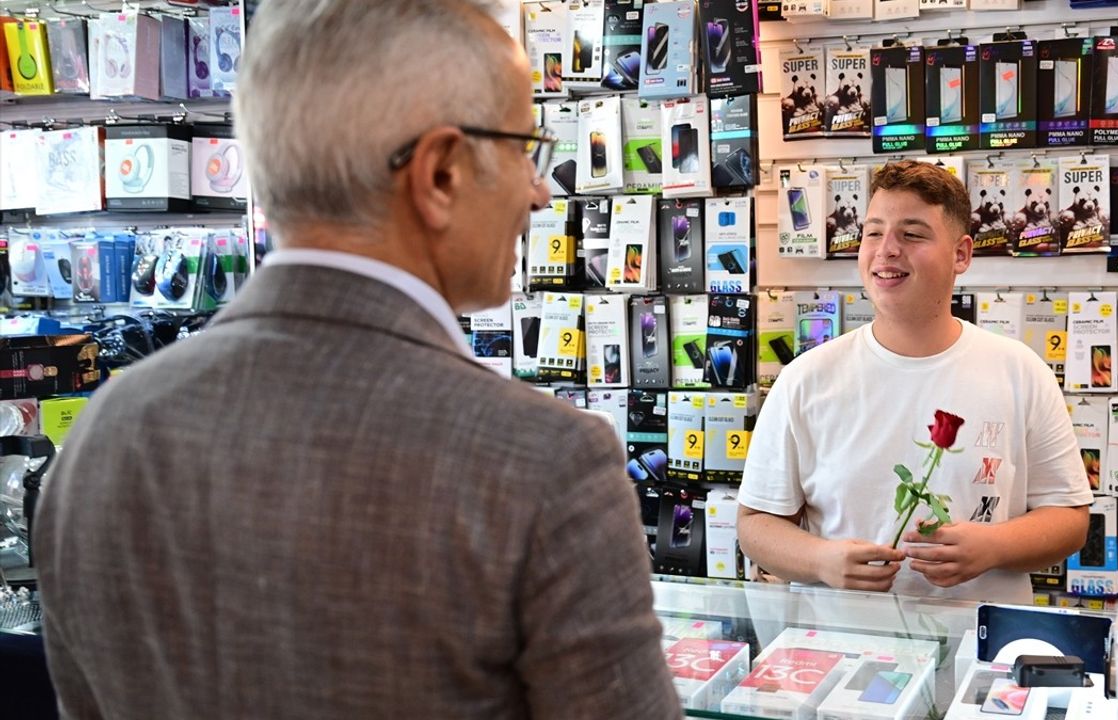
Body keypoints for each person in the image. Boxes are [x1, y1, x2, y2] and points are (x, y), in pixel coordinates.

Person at [34, 2, 682, 718]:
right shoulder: (544, 462)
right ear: (439, 174)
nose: (538, 189)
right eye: (523, 147)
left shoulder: (102, 437)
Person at [738, 160, 1092, 604]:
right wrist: (821, 560)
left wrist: (993, 547)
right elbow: (755, 524)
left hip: (978, 653)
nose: (886, 249)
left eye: (912, 234)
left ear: (961, 254)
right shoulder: (805, 380)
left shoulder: (1020, 372)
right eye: (873, 231)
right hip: (839, 653)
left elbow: (1070, 518)